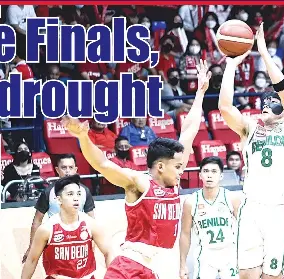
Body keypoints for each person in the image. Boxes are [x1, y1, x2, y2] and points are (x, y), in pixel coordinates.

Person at [61, 60, 212, 279]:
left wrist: (199, 93)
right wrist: (84, 137)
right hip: (133, 263)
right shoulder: (139, 183)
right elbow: (103, 164)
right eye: (177, 167)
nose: (182, 171)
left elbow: (189, 130)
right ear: (160, 167)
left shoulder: (173, 183)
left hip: (162, 264)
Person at [218, 23, 284, 279]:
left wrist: (264, 55)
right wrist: (231, 66)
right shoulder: (250, 128)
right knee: (246, 276)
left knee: (272, 277)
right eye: (264, 103)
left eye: (272, 103)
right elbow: (225, 107)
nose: (267, 106)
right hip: (251, 208)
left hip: (279, 210)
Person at [21, 174, 114, 279]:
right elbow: (32, 260)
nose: (76, 198)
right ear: (59, 200)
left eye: (78, 194)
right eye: (70, 194)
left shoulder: (90, 224)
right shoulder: (47, 229)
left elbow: (109, 252)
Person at [22, 153, 96, 263]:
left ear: (76, 169)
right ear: (57, 170)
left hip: (79, 242)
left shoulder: (85, 191)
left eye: (71, 167)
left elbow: (91, 220)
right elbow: (37, 221)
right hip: (55, 242)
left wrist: (92, 245)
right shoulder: (48, 192)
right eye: (64, 167)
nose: (67, 171)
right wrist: (31, 247)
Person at [179, 156, 241, 279]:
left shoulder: (231, 198)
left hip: (229, 252)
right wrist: (182, 264)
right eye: (206, 171)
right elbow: (185, 234)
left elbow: (245, 228)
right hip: (205, 255)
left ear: (221, 176)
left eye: (214, 172)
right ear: (200, 175)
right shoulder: (191, 202)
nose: (209, 175)